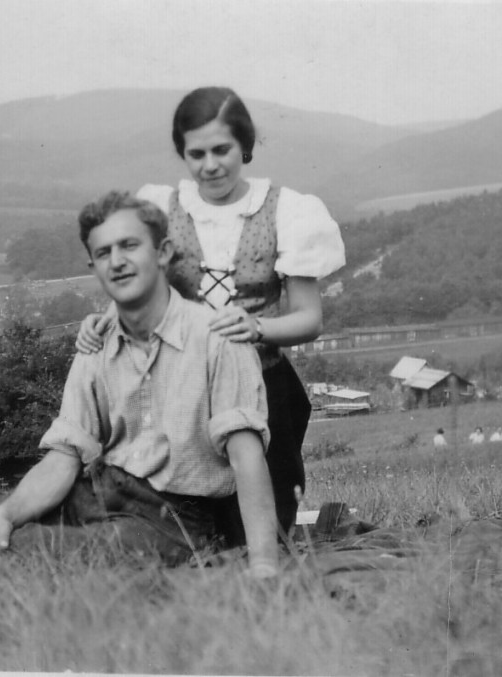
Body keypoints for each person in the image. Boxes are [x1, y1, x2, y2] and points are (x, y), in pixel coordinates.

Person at [0, 192, 279, 579]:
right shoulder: (96, 345)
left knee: (25, 550)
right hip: (99, 494)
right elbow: (65, 456)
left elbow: (246, 456)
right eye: (103, 253)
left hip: (175, 521)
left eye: (129, 246)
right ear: (94, 267)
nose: (116, 261)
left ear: (163, 253)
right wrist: (6, 513)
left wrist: (264, 564)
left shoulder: (218, 338)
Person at [77, 86, 345, 536]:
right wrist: (103, 322)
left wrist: (257, 326)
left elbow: (309, 319)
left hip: (262, 384)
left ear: (245, 146)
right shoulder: (162, 208)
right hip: (181, 388)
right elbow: (137, 289)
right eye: (196, 154)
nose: (210, 165)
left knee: (264, 519)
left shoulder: (287, 211)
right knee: (192, 519)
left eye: (222, 150)